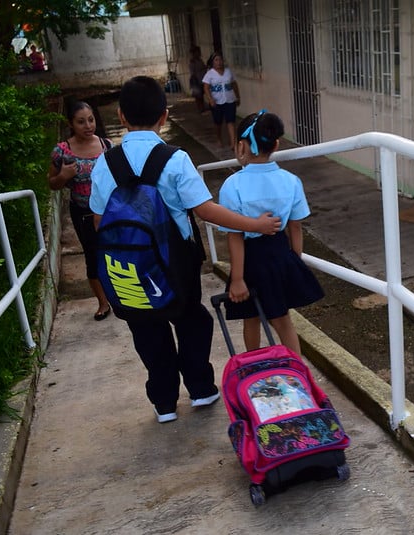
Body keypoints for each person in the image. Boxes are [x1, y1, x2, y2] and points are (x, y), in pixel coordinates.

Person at [88, 76, 282, 424]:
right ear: (164, 115)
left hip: (129, 268)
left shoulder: (105, 162)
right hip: (176, 263)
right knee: (191, 319)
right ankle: (200, 389)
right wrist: (254, 225)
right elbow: (205, 210)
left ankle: (164, 403)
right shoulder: (175, 159)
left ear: (121, 115)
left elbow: (100, 221)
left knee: (147, 331)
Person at [218, 110, 324, 354]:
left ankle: (254, 365)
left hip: (250, 258)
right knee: (283, 319)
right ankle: (297, 370)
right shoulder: (291, 181)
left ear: (241, 145)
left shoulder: (232, 185)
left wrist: (237, 279)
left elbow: (235, 235)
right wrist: (294, 259)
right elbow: (295, 226)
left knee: (251, 317)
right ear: (276, 144)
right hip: (279, 253)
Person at [48, 101, 113, 321]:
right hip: (83, 213)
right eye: (81, 122)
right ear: (71, 124)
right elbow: (52, 184)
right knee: (92, 256)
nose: (88, 126)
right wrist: (63, 176)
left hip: (109, 211)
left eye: (91, 120)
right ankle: (103, 303)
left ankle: (122, 293)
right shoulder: (62, 151)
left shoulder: (106, 145)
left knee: (115, 251)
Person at [202, 53, 240, 148]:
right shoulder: (210, 74)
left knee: (230, 121)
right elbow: (206, 88)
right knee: (218, 122)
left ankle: (233, 143)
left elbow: (234, 84)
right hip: (216, 102)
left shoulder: (228, 72)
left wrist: (237, 97)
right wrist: (210, 99)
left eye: (220, 60)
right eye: (216, 60)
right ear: (212, 62)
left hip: (230, 100)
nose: (219, 62)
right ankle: (218, 138)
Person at [188, 46, 208, 113]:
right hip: (197, 81)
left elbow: (203, 68)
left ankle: (202, 107)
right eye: (197, 52)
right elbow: (193, 73)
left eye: (199, 52)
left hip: (202, 79)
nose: (199, 53)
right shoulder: (192, 62)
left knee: (201, 95)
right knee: (198, 96)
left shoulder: (199, 60)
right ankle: (200, 108)